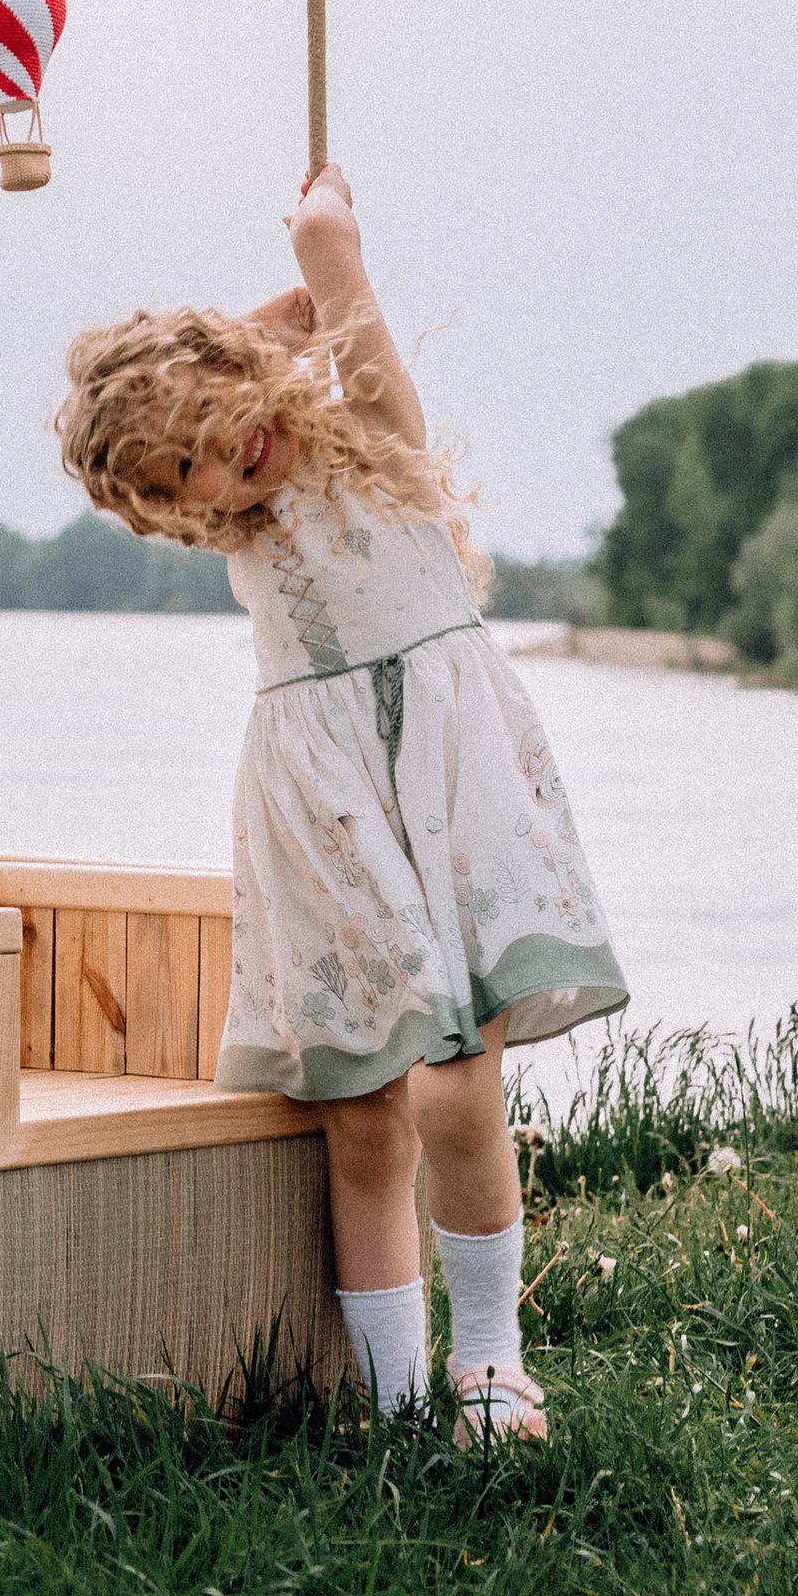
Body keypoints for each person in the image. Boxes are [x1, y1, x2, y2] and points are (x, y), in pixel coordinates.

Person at [54, 166, 625, 1440]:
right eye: (190, 465)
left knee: (455, 1080)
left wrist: (328, 253)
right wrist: (239, 352)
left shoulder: (371, 446)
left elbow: (325, 329)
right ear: (174, 506)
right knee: (360, 1109)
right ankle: (391, 1395)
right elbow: (256, 362)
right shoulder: (241, 529)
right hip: (322, 802)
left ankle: (489, 1357)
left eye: (219, 418)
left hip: (440, 767)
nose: (227, 455)